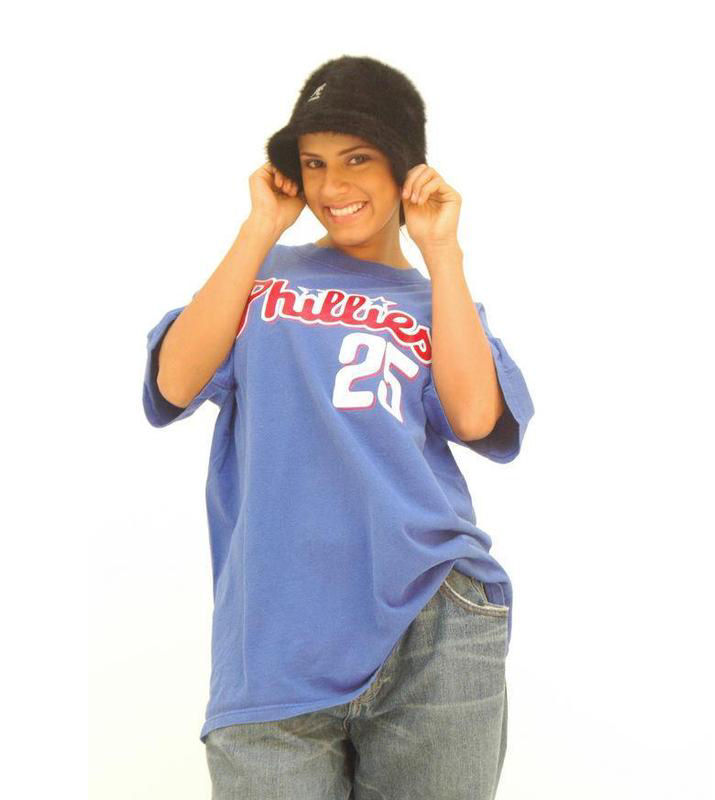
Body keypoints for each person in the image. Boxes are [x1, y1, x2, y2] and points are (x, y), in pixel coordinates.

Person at [142, 55, 535, 799]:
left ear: (404, 167)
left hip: (432, 620)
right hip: (273, 644)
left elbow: (476, 417)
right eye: (314, 162)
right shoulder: (259, 279)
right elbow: (175, 382)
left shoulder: (438, 302)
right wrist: (261, 226)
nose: (331, 187)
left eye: (357, 159)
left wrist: (441, 252)